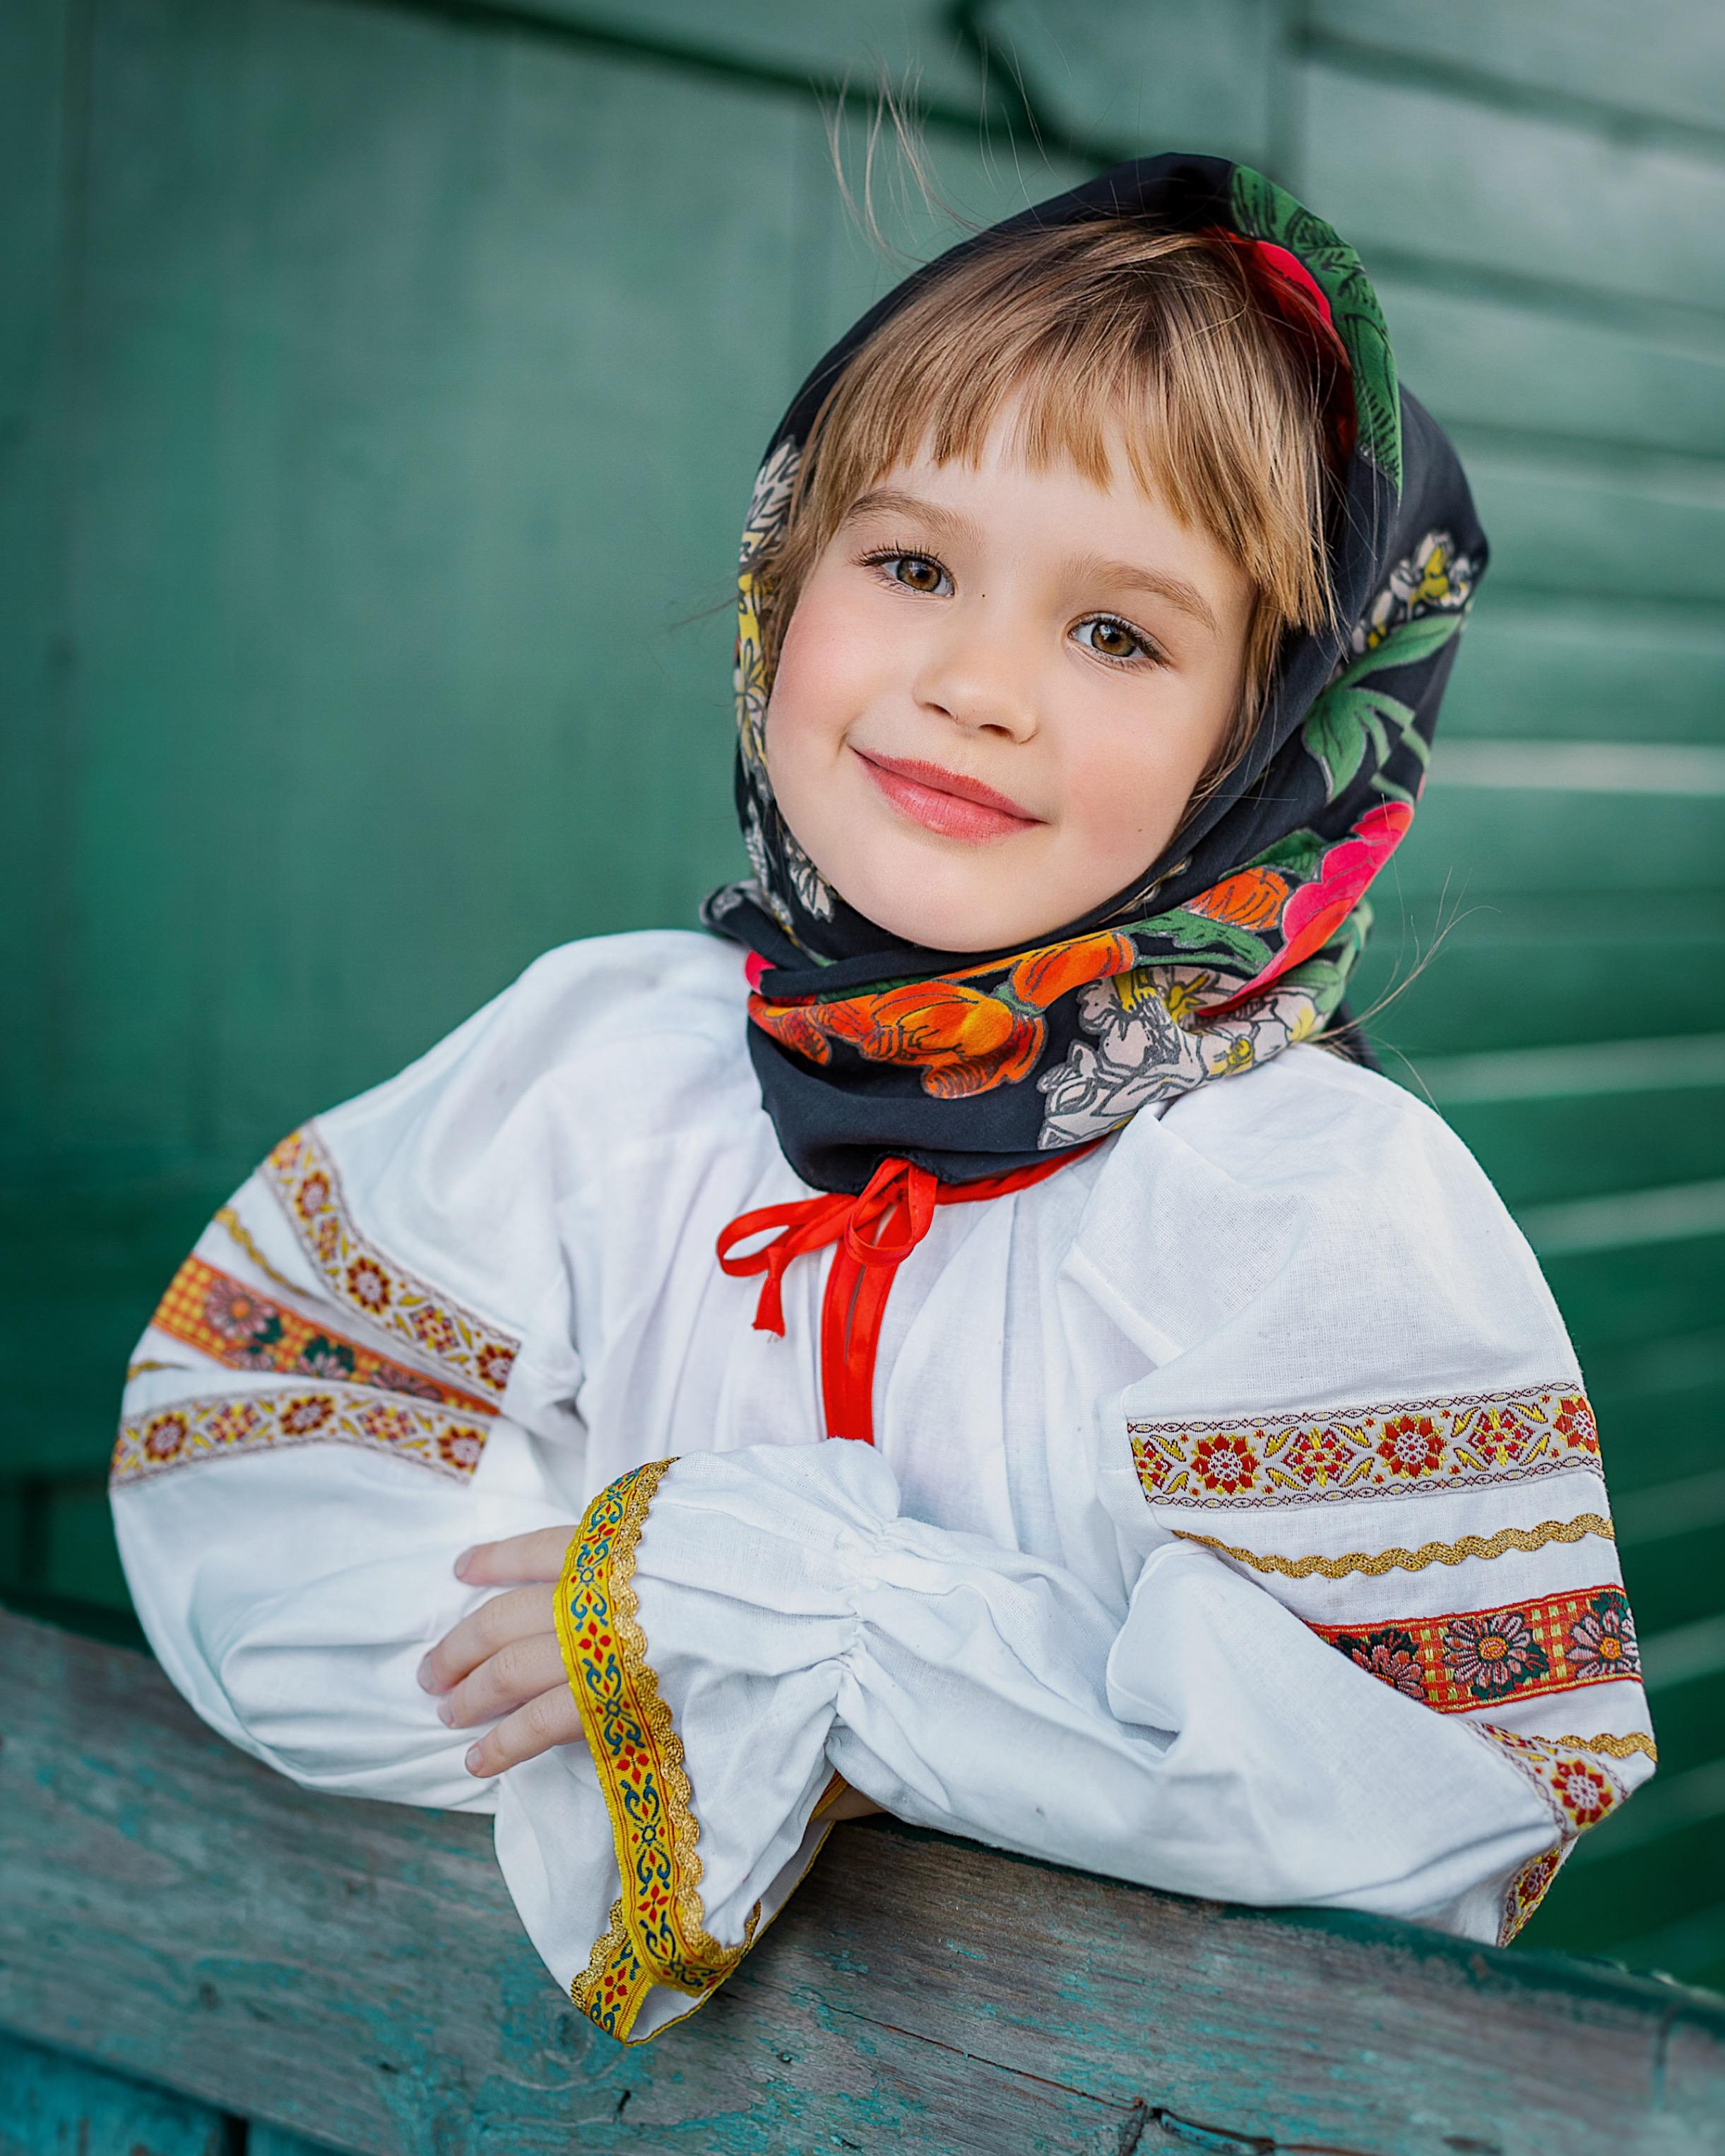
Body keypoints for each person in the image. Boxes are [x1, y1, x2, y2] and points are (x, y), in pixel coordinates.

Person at [111, 155, 1652, 2046]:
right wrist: (639, 1680)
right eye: (910, 564)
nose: (976, 682)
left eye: (1119, 634)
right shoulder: (602, 1071)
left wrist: (819, 1632)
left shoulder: (1305, 1201)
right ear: (782, 571)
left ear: (1270, 740)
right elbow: (261, 1465)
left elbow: (1417, 1789)